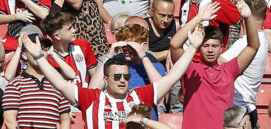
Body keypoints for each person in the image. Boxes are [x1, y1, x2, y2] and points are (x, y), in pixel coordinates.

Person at [33, 19, 204, 129]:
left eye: (126, 76)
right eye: (116, 76)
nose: (122, 80)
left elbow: (172, 77)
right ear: (106, 79)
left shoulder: (138, 95)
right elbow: (61, 84)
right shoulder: (92, 98)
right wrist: (39, 57)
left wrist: (193, 47)